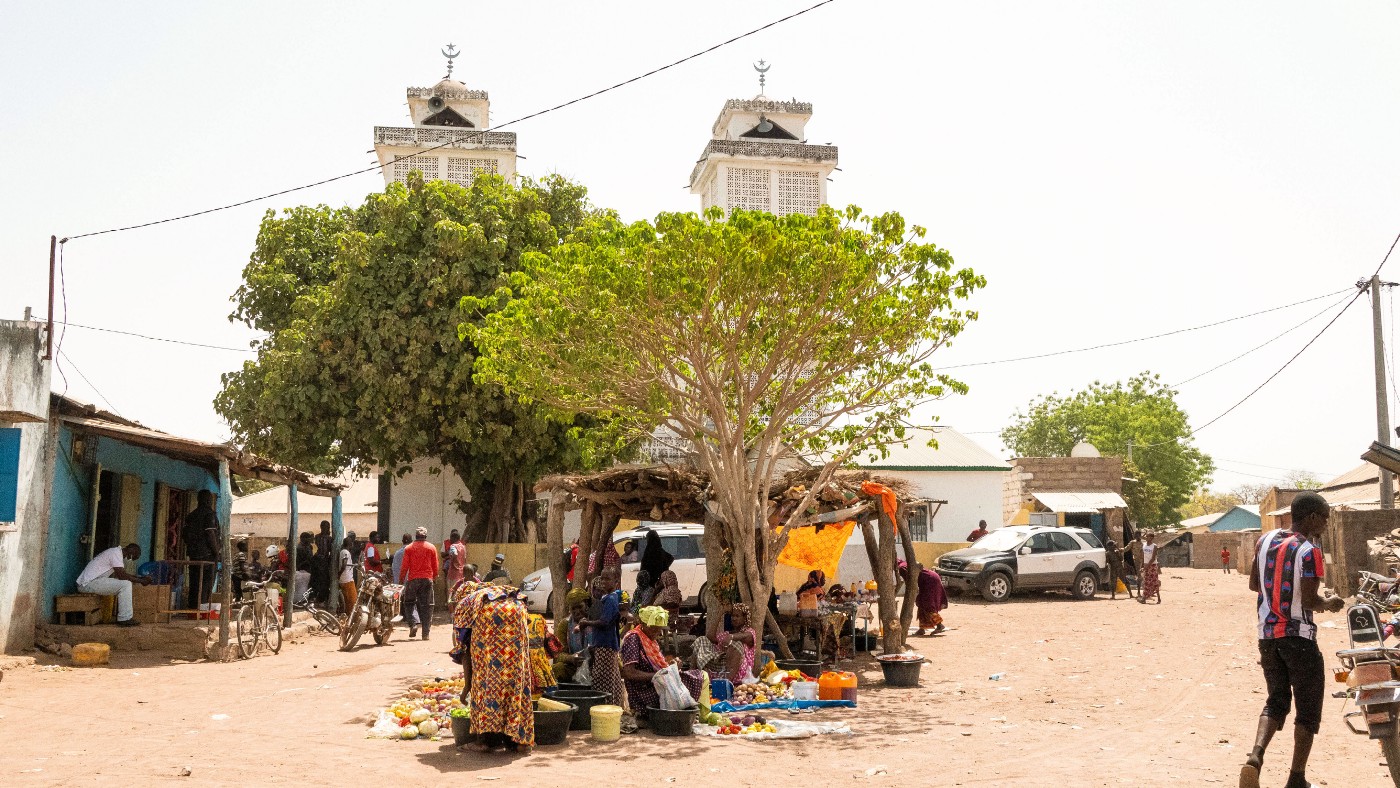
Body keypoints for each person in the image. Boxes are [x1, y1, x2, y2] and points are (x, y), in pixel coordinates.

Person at [1239, 492, 1344, 788]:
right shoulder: (1310, 552)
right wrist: (1330, 602)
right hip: (1299, 638)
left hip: (1267, 637)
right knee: (1308, 711)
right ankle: (1296, 778)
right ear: (1311, 517)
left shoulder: (1266, 540)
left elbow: (1253, 585)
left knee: (1276, 701)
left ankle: (1255, 757)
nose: (1325, 523)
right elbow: (1311, 601)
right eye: (1323, 517)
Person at [451, 581, 534, 753]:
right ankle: (520, 742)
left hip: (488, 616)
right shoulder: (502, 593)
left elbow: (464, 651)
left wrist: (467, 685)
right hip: (518, 610)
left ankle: (484, 741)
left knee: (486, 677)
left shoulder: (466, 604)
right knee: (517, 678)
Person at [620, 606, 705, 719]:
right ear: (643, 624)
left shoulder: (649, 639)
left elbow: (656, 664)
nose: (658, 632)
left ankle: (695, 715)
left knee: (699, 675)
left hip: (656, 684)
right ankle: (697, 715)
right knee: (700, 677)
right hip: (643, 692)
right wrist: (659, 675)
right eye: (654, 628)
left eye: (659, 628)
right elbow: (629, 673)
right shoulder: (633, 639)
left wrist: (671, 665)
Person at [76, 543, 151, 627]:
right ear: (131, 552)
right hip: (87, 584)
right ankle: (124, 618)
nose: (130, 559)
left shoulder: (115, 552)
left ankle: (124, 617)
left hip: (92, 582)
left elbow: (123, 574)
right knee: (126, 584)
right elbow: (122, 576)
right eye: (133, 557)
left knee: (124, 583)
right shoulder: (115, 554)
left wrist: (141, 578)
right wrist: (141, 581)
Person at [585, 568, 627, 709]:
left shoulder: (610, 600)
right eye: (602, 578)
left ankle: (606, 709)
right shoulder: (609, 598)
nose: (603, 582)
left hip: (606, 645)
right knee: (612, 678)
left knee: (603, 680)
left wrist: (587, 623)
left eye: (607, 579)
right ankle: (615, 707)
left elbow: (604, 622)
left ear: (616, 582)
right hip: (605, 644)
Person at [181, 490, 220, 610]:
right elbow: (210, 534)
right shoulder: (209, 514)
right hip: (207, 555)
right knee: (206, 584)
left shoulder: (191, 516)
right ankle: (201, 609)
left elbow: (184, 534)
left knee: (194, 583)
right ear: (209, 500)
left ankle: (193, 608)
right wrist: (217, 552)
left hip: (194, 555)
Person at [399, 527, 440, 640]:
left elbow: (404, 566)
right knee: (427, 606)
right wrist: (435, 577)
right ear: (425, 536)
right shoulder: (431, 547)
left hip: (413, 580)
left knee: (409, 603)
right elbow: (435, 565)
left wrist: (401, 579)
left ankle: (413, 624)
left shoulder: (409, 548)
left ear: (416, 536)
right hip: (427, 579)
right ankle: (425, 634)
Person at [899, 560, 948, 636]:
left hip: (930, 581)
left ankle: (939, 625)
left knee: (927, 604)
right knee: (921, 603)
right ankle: (922, 628)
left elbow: (910, 581)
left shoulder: (901, 567)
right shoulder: (904, 564)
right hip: (929, 579)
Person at [553, 588, 592, 682]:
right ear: (569, 609)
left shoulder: (595, 621)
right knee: (558, 668)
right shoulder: (565, 625)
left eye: (580, 607)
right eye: (573, 608)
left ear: (586, 605)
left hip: (594, 665)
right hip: (574, 666)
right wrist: (571, 658)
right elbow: (557, 654)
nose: (577, 611)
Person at [716, 602, 758, 681]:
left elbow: (744, 636)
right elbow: (710, 636)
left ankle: (727, 682)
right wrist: (720, 613)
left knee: (736, 644)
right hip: (725, 668)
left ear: (744, 618)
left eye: (737, 616)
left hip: (742, 672)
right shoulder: (729, 633)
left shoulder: (750, 633)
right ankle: (691, 676)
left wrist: (731, 637)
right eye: (732, 616)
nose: (734, 618)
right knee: (701, 640)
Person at [527, 613, 560, 699]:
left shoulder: (515, 617)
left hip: (522, 664)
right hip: (540, 662)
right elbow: (550, 643)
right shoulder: (539, 618)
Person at [311, 520, 333, 603]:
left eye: (328, 527)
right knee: (319, 581)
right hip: (318, 562)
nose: (327, 529)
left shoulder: (328, 538)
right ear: (321, 527)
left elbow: (330, 551)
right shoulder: (317, 537)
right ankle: (319, 598)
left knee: (324, 581)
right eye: (325, 527)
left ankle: (322, 598)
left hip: (324, 562)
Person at [1138, 531, 1161, 605]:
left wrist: (1146, 567)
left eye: (1149, 536)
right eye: (1147, 536)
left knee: (1154, 582)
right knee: (1146, 582)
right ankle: (1144, 598)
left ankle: (1157, 597)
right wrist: (1142, 566)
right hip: (1145, 565)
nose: (1147, 538)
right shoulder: (1144, 545)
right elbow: (1143, 557)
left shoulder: (1154, 546)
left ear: (1152, 538)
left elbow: (1153, 558)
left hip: (1152, 566)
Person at [338, 536, 358, 612]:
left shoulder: (343, 552)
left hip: (346, 578)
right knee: (352, 599)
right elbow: (344, 564)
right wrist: (339, 574)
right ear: (350, 544)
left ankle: (347, 614)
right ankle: (350, 615)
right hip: (347, 579)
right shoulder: (345, 552)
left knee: (348, 599)